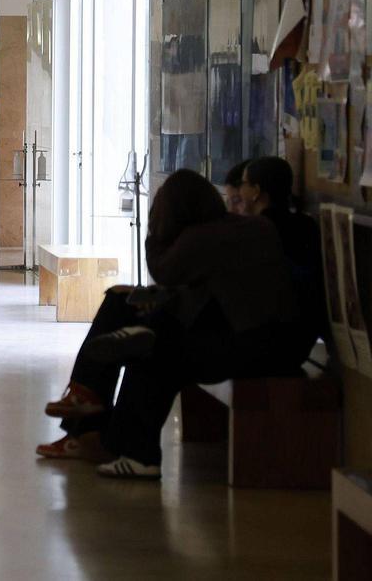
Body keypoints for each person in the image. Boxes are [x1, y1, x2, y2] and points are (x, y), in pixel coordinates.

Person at [39, 169, 303, 480]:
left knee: (150, 348)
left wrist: (154, 230)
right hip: (269, 341)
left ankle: (129, 449)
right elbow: (208, 291)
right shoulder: (250, 227)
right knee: (122, 305)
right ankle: (87, 401)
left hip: (252, 348)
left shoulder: (203, 237)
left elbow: (163, 271)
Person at [239, 156, 325, 361]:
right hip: (303, 340)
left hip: (266, 342)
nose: (240, 191)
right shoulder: (307, 225)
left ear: (256, 191)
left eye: (243, 184)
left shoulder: (254, 231)